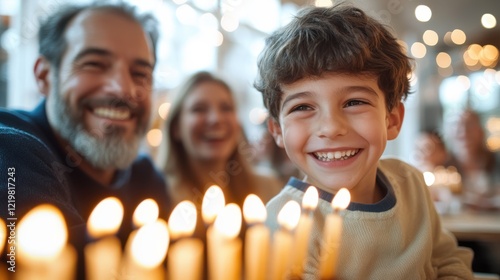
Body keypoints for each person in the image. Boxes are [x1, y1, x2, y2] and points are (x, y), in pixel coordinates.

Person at [254, 4, 474, 279]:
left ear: (391, 119)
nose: (331, 128)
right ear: (277, 130)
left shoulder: (411, 183)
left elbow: (447, 259)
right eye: (302, 107)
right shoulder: (283, 225)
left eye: (354, 102)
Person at [0, 1, 171, 255]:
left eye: (140, 73)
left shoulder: (144, 178)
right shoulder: (11, 150)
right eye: (95, 64)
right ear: (45, 76)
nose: (123, 90)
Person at [157, 70, 281, 219]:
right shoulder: (158, 195)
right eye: (199, 109)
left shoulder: (269, 188)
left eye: (226, 108)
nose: (216, 119)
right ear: (176, 127)